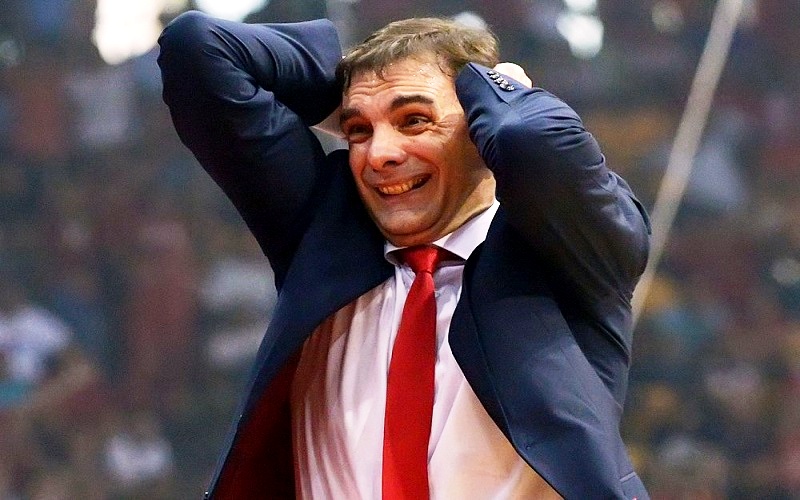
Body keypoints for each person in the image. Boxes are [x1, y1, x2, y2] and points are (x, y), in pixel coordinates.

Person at [158, 10, 651, 500]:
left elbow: (530, 138)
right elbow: (197, 49)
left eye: (414, 121)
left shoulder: (567, 250)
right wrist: (353, 81)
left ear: (480, 130)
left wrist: (498, 88)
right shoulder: (323, 235)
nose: (379, 154)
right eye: (357, 130)